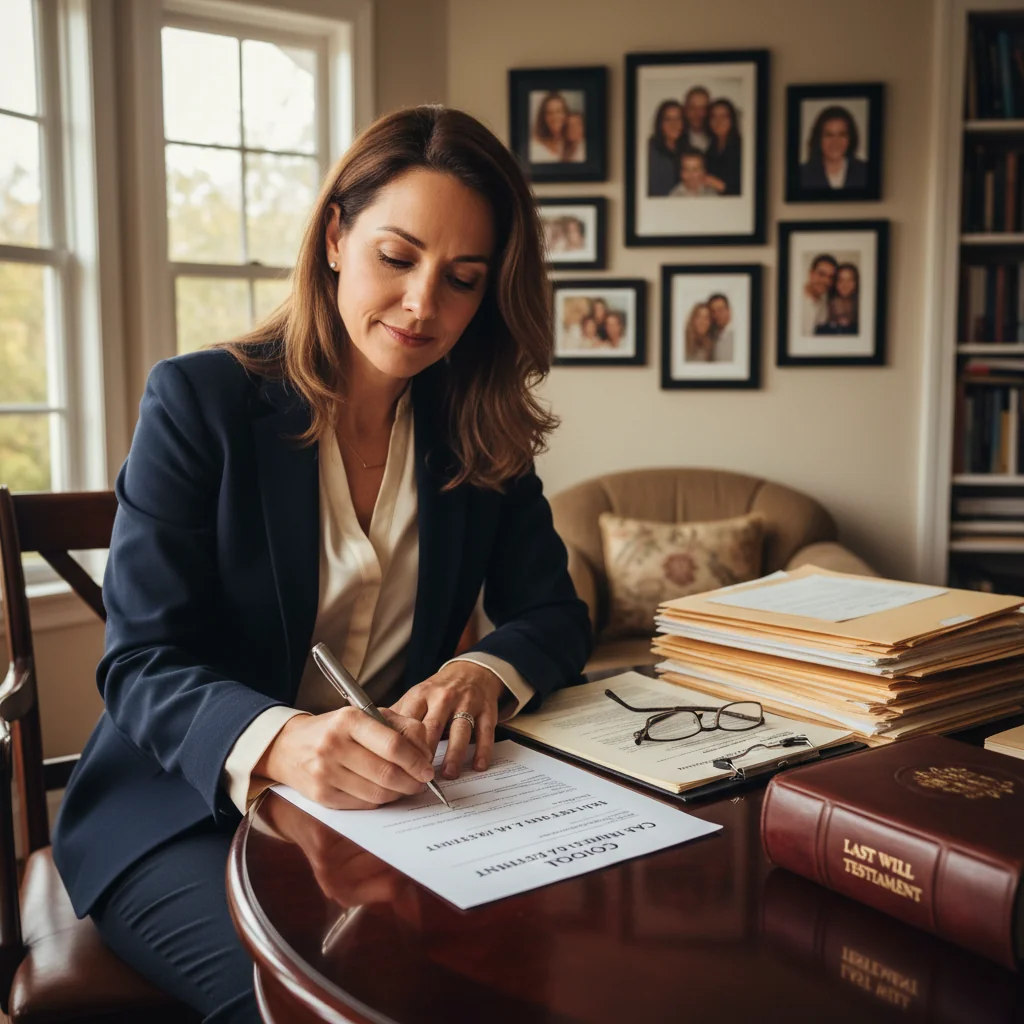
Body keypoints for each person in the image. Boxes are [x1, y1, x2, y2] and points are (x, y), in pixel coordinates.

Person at [52, 105, 592, 1023]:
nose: (423, 305)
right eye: (398, 257)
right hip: (182, 811)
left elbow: (555, 616)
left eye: (462, 279)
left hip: (395, 812)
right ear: (336, 237)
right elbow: (140, 663)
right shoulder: (199, 401)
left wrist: (482, 669)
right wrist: (280, 741)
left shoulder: (478, 428)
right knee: (322, 1008)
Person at [800, 105, 868, 191]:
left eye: (842, 135)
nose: (835, 142)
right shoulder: (802, 174)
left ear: (850, 138)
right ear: (818, 138)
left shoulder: (865, 171)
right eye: (829, 135)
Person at [703, 98, 742, 196]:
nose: (718, 121)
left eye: (724, 117)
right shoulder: (710, 148)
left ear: (732, 120)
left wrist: (721, 186)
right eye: (714, 117)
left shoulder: (741, 148)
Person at [647, 99, 685, 196]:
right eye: (668, 119)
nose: (674, 124)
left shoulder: (690, 151)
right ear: (660, 123)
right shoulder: (649, 151)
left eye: (678, 119)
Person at [816, 262, 860, 334]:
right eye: (841, 280)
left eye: (850, 280)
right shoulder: (826, 304)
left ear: (856, 282)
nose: (845, 285)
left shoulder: (861, 305)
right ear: (835, 282)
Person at [802, 254, 838, 335]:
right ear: (811, 273)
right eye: (821, 274)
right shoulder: (795, 301)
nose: (826, 281)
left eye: (831, 277)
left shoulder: (826, 301)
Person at [529, 91, 570, 163]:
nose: (554, 117)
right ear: (543, 118)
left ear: (566, 114)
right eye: (549, 113)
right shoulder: (535, 147)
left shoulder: (575, 143)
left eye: (558, 111)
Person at [681, 86, 711, 152]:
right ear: (685, 109)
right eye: (693, 108)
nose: (698, 113)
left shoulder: (717, 138)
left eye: (703, 108)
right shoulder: (675, 137)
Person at [707, 293, 734, 361]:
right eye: (713, 311)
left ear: (728, 311)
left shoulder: (736, 336)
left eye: (720, 310)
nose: (716, 315)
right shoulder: (713, 335)